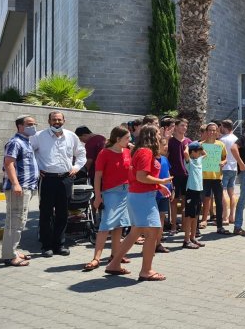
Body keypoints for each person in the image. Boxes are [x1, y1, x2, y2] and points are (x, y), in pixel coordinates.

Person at [105, 125, 172, 281]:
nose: (159, 135)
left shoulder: (141, 151)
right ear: (151, 135)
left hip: (140, 195)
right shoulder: (146, 152)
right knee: (153, 231)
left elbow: (138, 176)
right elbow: (142, 176)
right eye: (157, 133)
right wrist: (161, 181)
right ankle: (146, 271)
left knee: (135, 232)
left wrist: (158, 185)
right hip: (143, 197)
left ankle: (114, 264)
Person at [31, 111, 86, 257]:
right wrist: (36, 168)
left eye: (59, 119)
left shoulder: (71, 136)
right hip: (47, 179)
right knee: (46, 213)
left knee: (63, 213)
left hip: (65, 179)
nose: (57, 122)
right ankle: (46, 246)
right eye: (54, 119)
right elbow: (28, 153)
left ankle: (60, 245)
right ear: (49, 121)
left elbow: (81, 153)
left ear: (64, 120)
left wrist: (76, 168)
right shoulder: (39, 136)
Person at [83, 126, 132, 271]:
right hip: (110, 192)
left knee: (119, 225)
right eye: (127, 138)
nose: (129, 141)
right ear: (118, 139)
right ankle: (96, 258)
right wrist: (97, 196)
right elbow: (98, 176)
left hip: (126, 192)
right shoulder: (104, 153)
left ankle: (115, 255)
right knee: (106, 225)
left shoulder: (128, 152)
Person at [0, 115, 39, 267]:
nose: (33, 126)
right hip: (18, 188)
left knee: (19, 221)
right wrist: (15, 183)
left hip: (26, 188)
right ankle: (9, 256)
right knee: (14, 222)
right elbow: (9, 163)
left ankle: (12, 251)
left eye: (34, 124)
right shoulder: (15, 142)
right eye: (29, 124)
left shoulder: (26, 142)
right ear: (19, 126)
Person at [167, 118, 190, 235]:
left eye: (186, 126)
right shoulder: (170, 142)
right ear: (175, 127)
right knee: (174, 201)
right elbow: (166, 156)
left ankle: (185, 226)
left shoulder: (189, 142)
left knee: (186, 201)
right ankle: (173, 226)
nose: (184, 128)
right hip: (174, 175)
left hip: (187, 175)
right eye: (182, 125)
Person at [182, 141, 205, 249]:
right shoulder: (189, 162)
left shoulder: (199, 160)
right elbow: (185, 153)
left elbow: (205, 154)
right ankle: (186, 240)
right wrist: (188, 146)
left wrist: (199, 145)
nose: (200, 153)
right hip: (191, 190)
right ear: (193, 152)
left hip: (199, 190)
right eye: (198, 152)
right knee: (189, 216)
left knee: (196, 215)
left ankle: (193, 237)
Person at [218, 120, 238, 226]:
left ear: (224, 127)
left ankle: (225, 216)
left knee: (224, 191)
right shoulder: (236, 138)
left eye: (220, 126)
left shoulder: (222, 140)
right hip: (234, 167)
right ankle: (232, 215)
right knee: (232, 192)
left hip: (224, 167)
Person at [154, 138, 172, 253]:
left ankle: (158, 243)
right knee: (153, 221)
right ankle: (149, 245)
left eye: (166, 145)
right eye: (163, 144)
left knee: (161, 218)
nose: (165, 147)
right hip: (155, 193)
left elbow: (169, 174)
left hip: (165, 193)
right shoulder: (151, 160)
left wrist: (172, 188)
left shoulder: (165, 159)